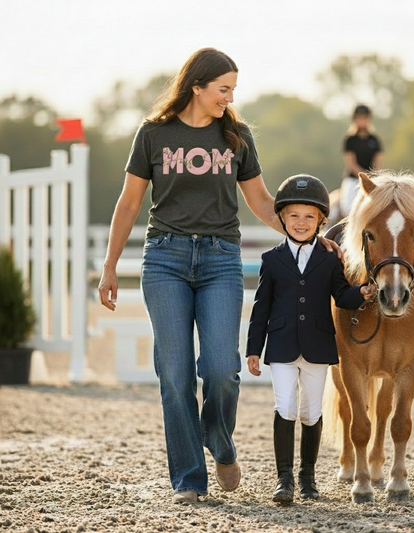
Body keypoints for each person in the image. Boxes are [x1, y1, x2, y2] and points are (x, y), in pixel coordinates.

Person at [97, 48, 341, 505]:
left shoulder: (236, 136)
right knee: (174, 374)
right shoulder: (153, 134)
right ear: (197, 86)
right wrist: (110, 266)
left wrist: (311, 236)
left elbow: (263, 202)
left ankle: (221, 443)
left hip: (220, 261)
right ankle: (190, 478)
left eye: (233, 90)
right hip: (165, 258)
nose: (229, 98)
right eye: (223, 89)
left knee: (220, 370)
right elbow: (129, 203)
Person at [246, 174, 375, 504]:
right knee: (284, 406)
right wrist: (253, 349)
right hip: (281, 345)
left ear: (320, 220)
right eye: (293, 215)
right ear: (282, 218)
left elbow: (341, 295)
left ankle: (308, 478)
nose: (301, 223)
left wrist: (361, 293)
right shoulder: (272, 260)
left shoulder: (331, 258)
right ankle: (284, 479)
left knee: (311, 412)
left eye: (309, 216)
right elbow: (261, 307)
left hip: (317, 345)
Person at [340, 104, 383, 217]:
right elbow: (351, 163)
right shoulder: (350, 139)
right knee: (346, 208)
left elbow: (378, 162)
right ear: (355, 119)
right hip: (353, 179)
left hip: (372, 179)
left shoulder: (374, 139)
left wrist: (374, 176)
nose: (362, 121)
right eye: (360, 118)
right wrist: (364, 177)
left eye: (365, 118)